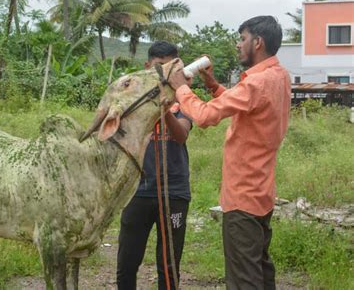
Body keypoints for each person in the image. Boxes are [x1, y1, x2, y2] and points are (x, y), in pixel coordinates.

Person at [168, 16, 291, 289]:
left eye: (242, 38)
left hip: (243, 200)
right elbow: (245, 102)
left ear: (257, 42)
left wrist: (181, 88)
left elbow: (203, 116)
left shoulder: (256, 83)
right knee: (260, 270)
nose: (238, 45)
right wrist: (212, 85)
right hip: (261, 195)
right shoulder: (278, 76)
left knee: (243, 280)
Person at [116, 40, 192, 290]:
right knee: (127, 262)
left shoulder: (183, 99)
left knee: (169, 265)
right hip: (136, 191)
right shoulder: (130, 100)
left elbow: (181, 135)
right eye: (159, 66)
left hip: (174, 193)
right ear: (148, 66)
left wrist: (166, 110)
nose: (164, 73)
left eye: (170, 67)